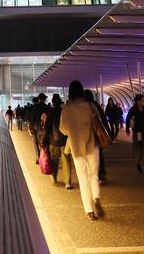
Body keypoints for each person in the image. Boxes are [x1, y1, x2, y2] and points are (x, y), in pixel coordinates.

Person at [59, 80, 104, 220]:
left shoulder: (67, 109)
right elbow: (99, 121)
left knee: (83, 179)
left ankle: (89, 210)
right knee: (93, 175)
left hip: (76, 147)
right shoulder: (90, 105)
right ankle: (96, 197)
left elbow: (63, 129)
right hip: (92, 144)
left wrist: (72, 131)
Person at [43, 93, 73, 188]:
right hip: (64, 139)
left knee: (54, 160)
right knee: (66, 160)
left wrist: (44, 140)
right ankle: (67, 182)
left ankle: (54, 177)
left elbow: (47, 128)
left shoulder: (50, 112)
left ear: (53, 102)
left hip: (53, 140)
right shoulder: (64, 111)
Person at [125, 93, 144, 176]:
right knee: (140, 149)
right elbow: (128, 119)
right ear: (138, 101)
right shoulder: (133, 110)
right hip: (138, 132)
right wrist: (127, 129)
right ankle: (138, 162)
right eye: (143, 100)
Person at [84, 90, 107, 185]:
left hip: (88, 135)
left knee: (89, 156)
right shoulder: (96, 105)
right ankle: (102, 175)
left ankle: (94, 175)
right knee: (99, 155)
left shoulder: (85, 107)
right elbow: (103, 119)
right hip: (97, 134)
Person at [27, 94, 49, 164]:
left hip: (36, 128)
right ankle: (45, 158)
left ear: (39, 99)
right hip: (45, 128)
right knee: (45, 143)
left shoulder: (35, 107)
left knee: (35, 142)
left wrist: (30, 127)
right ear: (45, 99)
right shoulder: (47, 107)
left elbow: (32, 118)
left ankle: (38, 156)